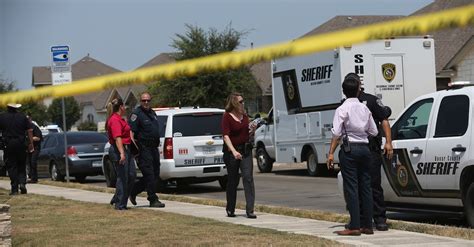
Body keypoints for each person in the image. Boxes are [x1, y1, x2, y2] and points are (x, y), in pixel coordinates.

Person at [327, 78, 378, 235]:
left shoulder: (342, 109)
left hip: (349, 150)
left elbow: (336, 132)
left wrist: (330, 153)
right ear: (358, 90)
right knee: (366, 187)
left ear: (344, 91)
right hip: (364, 148)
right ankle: (368, 225)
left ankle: (355, 225)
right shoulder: (364, 109)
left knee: (351, 188)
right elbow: (374, 131)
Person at [347, 73, 393, 231]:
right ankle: (359, 220)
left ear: (359, 84)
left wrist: (388, 142)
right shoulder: (345, 103)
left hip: (371, 149)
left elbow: (384, 120)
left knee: (373, 185)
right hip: (353, 150)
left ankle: (380, 219)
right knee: (356, 187)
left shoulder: (371, 100)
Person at [221, 92, 257, 219]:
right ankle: (230, 208)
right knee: (233, 180)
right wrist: (234, 151)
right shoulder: (227, 116)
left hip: (246, 151)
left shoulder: (245, 115)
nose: (243, 103)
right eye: (240, 101)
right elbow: (226, 136)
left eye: (243, 101)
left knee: (248, 178)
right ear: (234, 103)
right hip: (232, 152)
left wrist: (252, 130)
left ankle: (250, 210)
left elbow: (246, 133)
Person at [129, 92, 165, 208]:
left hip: (154, 148)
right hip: (144, 149)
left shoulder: (152, 113)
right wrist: (136, 151)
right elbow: (131, 133)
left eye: (148, 100)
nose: (146, 102)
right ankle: (153, 199)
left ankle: (133, 191)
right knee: (149, 174)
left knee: (155, 175)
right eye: (143, 100)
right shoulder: (136, 114)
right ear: (140, 101)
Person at [106, 98, 136, 210]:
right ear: (121, 107)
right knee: (123, 177)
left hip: (127, 149)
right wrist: (122, 153)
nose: (125, 109)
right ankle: (120, 204)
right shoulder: (114, 120)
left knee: (132, 175)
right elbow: (117, 138)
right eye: (125, 107)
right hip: (118, 150)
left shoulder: (121, 119)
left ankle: (117, 197)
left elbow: (127, 133)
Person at [0, 103, 34, 195]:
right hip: (21, 143)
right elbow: (30, 130)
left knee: (12, 166)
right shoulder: (23, 117)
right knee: (21, 164)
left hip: (8, 144)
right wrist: (31, 143)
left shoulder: (2, 117)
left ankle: (14, 189)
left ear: (7, 107)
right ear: (16, 108)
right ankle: (22, 183)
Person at [26, 116, 42, 183]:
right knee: (28, 162)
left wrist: (30, 138)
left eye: (27, 119)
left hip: (35, 148)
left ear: (30, 119)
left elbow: (38, 138)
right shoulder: (24, 128)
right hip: (28, 148)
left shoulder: (34, 127)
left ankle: (34, 178)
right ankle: (30, 177)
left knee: (33, 162)